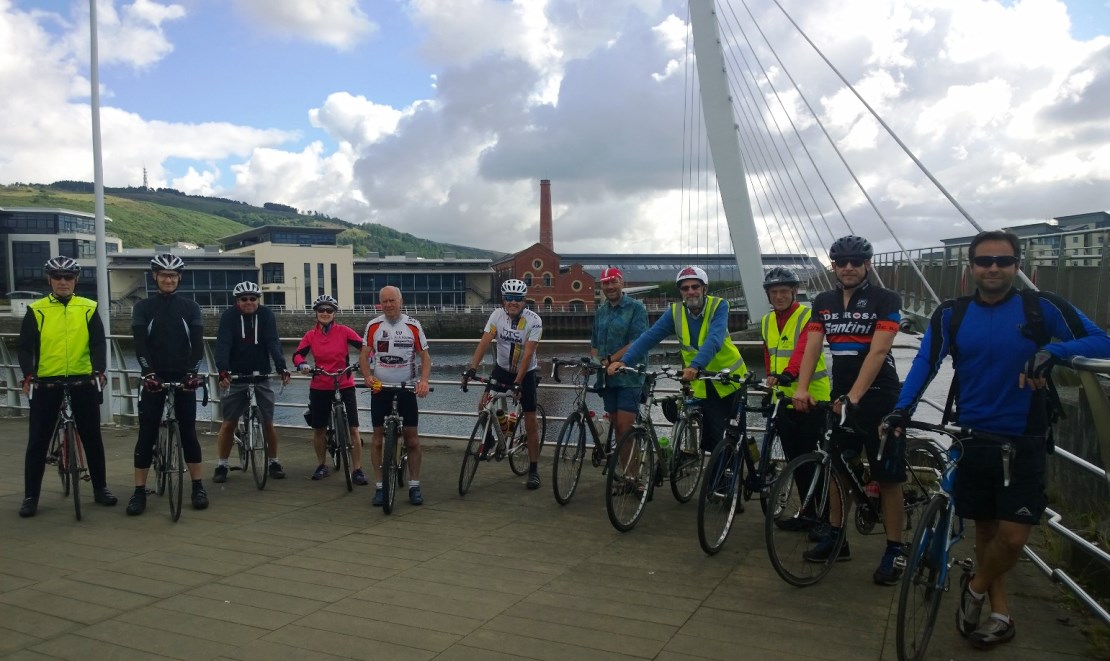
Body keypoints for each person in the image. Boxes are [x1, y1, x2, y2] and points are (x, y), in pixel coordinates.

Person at [884, 230, 1110, 648]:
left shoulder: (1042, 308)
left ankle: (974, 587)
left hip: (1023, 438)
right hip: (971, 436)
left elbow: (1103, 341)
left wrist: (1053, 352)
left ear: (1017, 267)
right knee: (986, 531)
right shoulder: (951, 314)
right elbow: (925, 363)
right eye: (984, 261)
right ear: (970, 268)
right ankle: (999, 614)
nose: (993, 268)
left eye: (1003, 261)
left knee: (1013, 536)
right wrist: (901, 410)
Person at [793, 235, 905, 585]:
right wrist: (801, 387)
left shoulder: (886, 299)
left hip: (879, 394)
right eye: (842, 263)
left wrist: (855, 397)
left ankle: (895, 550)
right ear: (834, 267)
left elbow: (877, 351)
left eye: (857, 261)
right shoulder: (823, 301)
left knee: (888, 478)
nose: (850, 267)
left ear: (868, 264)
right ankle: (837, 538)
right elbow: (813, 346)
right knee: (838, 468)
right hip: (843, 393)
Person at [16, 256, 117, 517]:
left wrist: (99, 370)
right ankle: (31, 497)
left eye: (68, 277)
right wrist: (29, 375)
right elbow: (25, 347)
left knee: (93, 437)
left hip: (82, 380)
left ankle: (100, 488)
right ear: (49, 280)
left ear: (76, 280)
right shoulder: (37, 309)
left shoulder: (88, 307)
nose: (63, 282)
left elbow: (98, 344)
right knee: (37, 441)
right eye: (58, 277)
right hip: (47, 382)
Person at [608, 266, 748, 454]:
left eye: (695, 286)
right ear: (680, 292)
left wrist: (695, 366)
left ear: (704, 288)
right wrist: (625, 361)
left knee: (734, 435)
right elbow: (650, 337)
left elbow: (714, 339)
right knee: (713, 440)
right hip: (703, 383)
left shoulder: (719, 306)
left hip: (730, 380)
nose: (690, 291)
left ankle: (745, 472)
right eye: (685, 288)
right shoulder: (675, 312)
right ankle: (718, 481)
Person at [127, 253, 208, 516]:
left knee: (189, 433)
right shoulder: (143, 308)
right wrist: (148, 373)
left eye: (173, 275)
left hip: (183, 376)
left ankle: (197, 486)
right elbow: (140, 345)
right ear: (155, 277)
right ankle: (139, 491)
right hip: (154, 376)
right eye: (163, 275)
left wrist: (193, 373)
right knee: (146, 434)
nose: (168, 279)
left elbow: (197, 346)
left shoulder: (190, 307)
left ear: (179, 278)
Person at [759, 267, 830, 530]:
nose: (779, 296)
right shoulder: (767, 321)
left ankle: (824, 518)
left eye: (784, 291)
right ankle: (808, 514)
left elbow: (804, 348)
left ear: (794, 292)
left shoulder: (807, 316)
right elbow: (769, 351)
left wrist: (789, 373)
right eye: (774, 292)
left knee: (813, 461)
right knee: (795, 462)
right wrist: (770, 377)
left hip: (812, 398)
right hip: (785, 400)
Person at [463, 279, 544, 490]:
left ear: (524, 300)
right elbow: (485, 341)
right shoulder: (496, 315)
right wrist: (472, 368)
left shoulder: (534, 320)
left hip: (525, 373)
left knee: (530, 420)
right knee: (483, 406)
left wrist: (517, 384)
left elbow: (528, 354)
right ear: (503, 299)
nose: (513, 302)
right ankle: (489, 439)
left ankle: (534, 470)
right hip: (501, 369)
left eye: (517, 299)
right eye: (509, 298)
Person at [359, 286, 432, 506]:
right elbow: (364, 356)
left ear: (401, 301)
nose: (388, 305)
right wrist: (367, 375)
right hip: (380, 387)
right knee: (377, 439)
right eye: (384, 301)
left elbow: (425, 357)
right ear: (379, 303)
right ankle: (380, 487)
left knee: (412, 439)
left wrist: (424, 381)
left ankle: (414, 485)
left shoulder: (412, 325)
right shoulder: (373, 326)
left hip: (406, 387)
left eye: (392, 300)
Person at [212, 281, 291, 484]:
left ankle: (273, 461)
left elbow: (273, 341)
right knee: (228, 423)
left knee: (268, 423)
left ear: (258, 300)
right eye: (243, 299)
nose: (249, 302)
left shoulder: (266, 315)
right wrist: (223, 371)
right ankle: (222, 464)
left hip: (261, 375)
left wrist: (282, 366)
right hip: (236, 375)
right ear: (237, 301)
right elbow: (223, 344)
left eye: (253, 299)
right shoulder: (229, 317)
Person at [291, 295, 368, 484]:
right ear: (316, 313)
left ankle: (357, 469)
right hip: (320, 383)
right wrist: (302, 365)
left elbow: (365, 348)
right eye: (321, 310)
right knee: (319, 429)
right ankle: (321, 465)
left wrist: (367, 360)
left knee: (353, 429)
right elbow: (297, 355)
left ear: (335, 313)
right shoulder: (311, 335)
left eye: (329, 310)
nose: (325, 313)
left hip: (345, 382)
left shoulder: (344, 331)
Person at [590, 267, 648, 448]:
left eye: (613, 281)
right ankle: (625, 472)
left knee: (626, 429)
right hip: (608, 379)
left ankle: (632, 475)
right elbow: (594, 345)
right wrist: (594, 364)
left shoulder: (636, 308)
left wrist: (611, 360)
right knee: (617, 427)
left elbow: (637, 342)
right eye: (605, 283)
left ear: (621, 282)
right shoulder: (601, 311)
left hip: (629, 377)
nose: (610, 286)